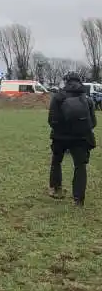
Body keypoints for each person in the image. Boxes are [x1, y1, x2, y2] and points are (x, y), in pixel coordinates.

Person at [48, 72, 97, 206]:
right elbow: (93, 123)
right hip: (81, 138)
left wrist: (61, 130)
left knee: (56, 162)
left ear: (66, 82)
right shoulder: (87, 99)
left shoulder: (58, 97)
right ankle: (78, 199)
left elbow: (51, 120)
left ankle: (56, 189)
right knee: (80, 166)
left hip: (60, 137)